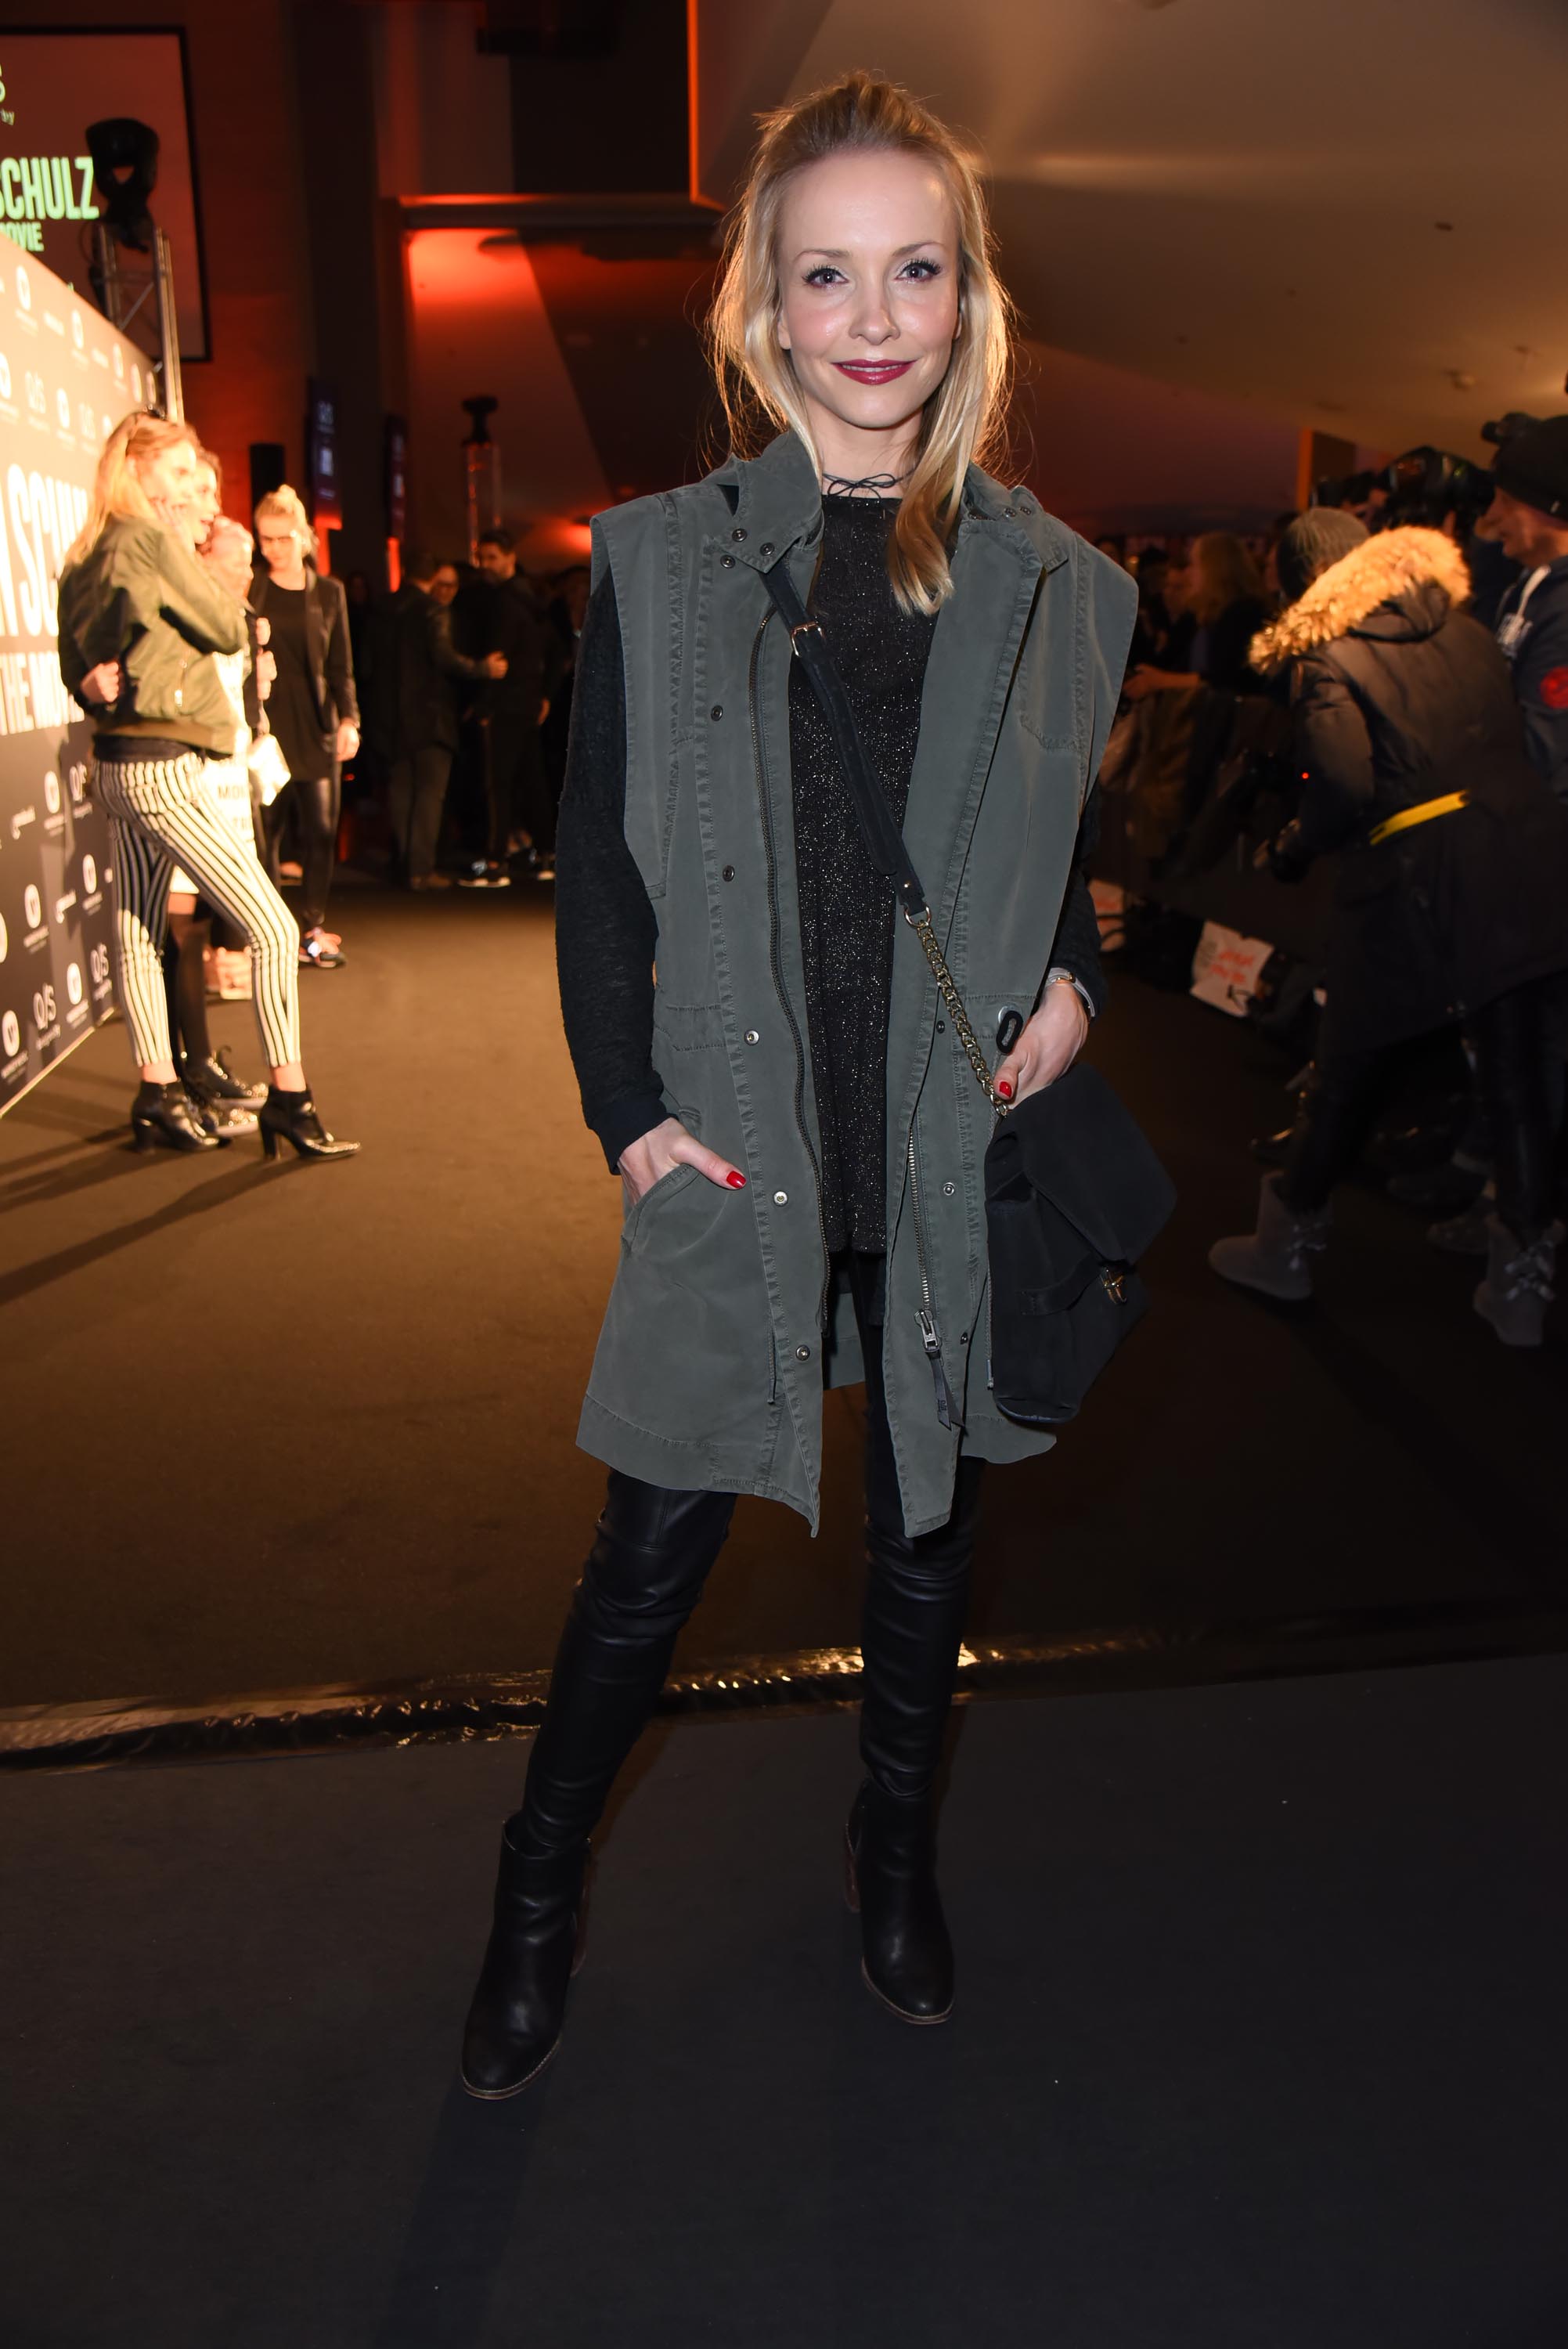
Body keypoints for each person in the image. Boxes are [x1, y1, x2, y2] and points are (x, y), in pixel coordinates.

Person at [457, 70, 1136, 2100]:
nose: (871, 315)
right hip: (740, 1149)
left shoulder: (1059, 587)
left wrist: (1077, 990)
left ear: (967, 298)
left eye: (912, 269)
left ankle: (889, 1854)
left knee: (925, 1547)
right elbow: (596, 871)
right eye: (825, 273)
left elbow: (1065, 864)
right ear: (761, 306)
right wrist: (624, 1112)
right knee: (645, 1562)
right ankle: (533, 1897)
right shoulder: (666, 565)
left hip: (941, 1155)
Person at [1208, 511, 1568, 1344]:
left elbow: (1339, 785)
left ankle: (1284, 1246)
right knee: (1515, 1076)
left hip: (1414, 881)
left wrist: (1294, 845)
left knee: (1346, 1070)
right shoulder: (1466, 629)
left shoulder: (1329, 655)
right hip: (1522, 862)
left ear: (1304, 584)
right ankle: (1520, 1288)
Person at [56, 413, 357, 1163]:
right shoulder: (148, 538)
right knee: (275, 928)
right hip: (162, 763)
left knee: (137, 928)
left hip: (117, 763)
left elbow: (76, 659)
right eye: (182, 472)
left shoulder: (89, 545)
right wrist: (199, 565)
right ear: (141, 471)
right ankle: (290, 1099)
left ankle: (157, 1091)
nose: (194, 489)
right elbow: (227, 626)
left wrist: (94, 681)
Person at [251, 485, 360, 965]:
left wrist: (350, 719)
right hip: (266, 727)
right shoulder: (252, 587)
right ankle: (273, 931)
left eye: (283, 538)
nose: (274, 548)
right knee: (267, 833)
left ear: (303, 537)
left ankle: (312, 927)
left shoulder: (329, 592)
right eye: (266, 539)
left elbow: (341, 666)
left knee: (320, 828)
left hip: (316, 725)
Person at [380, 554, 506, 889]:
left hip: (392, 716)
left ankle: (404, 864)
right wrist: (483, 668)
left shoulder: (386, 608)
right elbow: (444, 658)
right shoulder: (432, 611)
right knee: (429, 795)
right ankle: (420, 869)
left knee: (403, 792)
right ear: (433, 579)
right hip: (431, 716)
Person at [1480, 415, 1568, 800]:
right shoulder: (1528, 590)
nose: (1492, 515)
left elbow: (1537, 752)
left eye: (1507, 501)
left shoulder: (1563, 606)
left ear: (1550, 507)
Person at [459, 528, 551, 886]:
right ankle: (545, 853)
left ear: (510, 557)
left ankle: (497, 861)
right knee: (530, 780)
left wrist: (484, 706)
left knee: (499, 783)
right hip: (527, 701)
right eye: (482, 558)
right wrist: (543, 693)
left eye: (492, 557)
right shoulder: (529, 598)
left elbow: (499, 660)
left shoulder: (504, 602)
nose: (485, 564)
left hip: (508, 704)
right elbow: (545, 650)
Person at [1123, 531, 1267, 700]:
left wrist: (1161, 681)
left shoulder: (1242, 613)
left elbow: (1226, 680)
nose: (1188, 573)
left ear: (1214, 569)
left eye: (1193, 564)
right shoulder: (1205, 617)